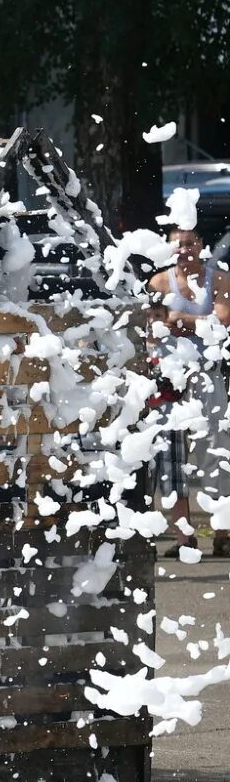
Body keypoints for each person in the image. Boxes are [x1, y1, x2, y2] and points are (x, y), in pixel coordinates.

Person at [148, 227, 230, 556]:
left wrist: (181, 320)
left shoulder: (220, 279)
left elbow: (224, 319)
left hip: (207, 377)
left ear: (201, 246)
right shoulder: (160, 282)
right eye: (178, 245)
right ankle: (184, 536)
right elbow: (151, 324)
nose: (184, 250)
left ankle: (224, 532)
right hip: (168, 381)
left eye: (190, 243)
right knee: (171, 459)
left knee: (217, 454)